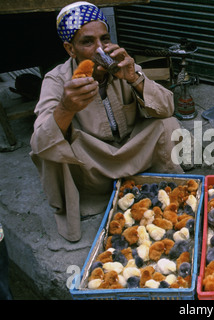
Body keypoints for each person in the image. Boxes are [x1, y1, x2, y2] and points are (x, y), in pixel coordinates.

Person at [30, 2, 183, 242]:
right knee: (52, 149)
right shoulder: (57, 79)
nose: (100, 49)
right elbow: (39, 143)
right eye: (88, 42)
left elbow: (167, 107)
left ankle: (158, 183)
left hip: (131, 150)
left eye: (105, 39)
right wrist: (65, 108)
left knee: (168, 124)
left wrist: (134, 79)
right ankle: (93, 200)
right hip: (92, 162)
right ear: (71, 49)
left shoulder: (122, 64)